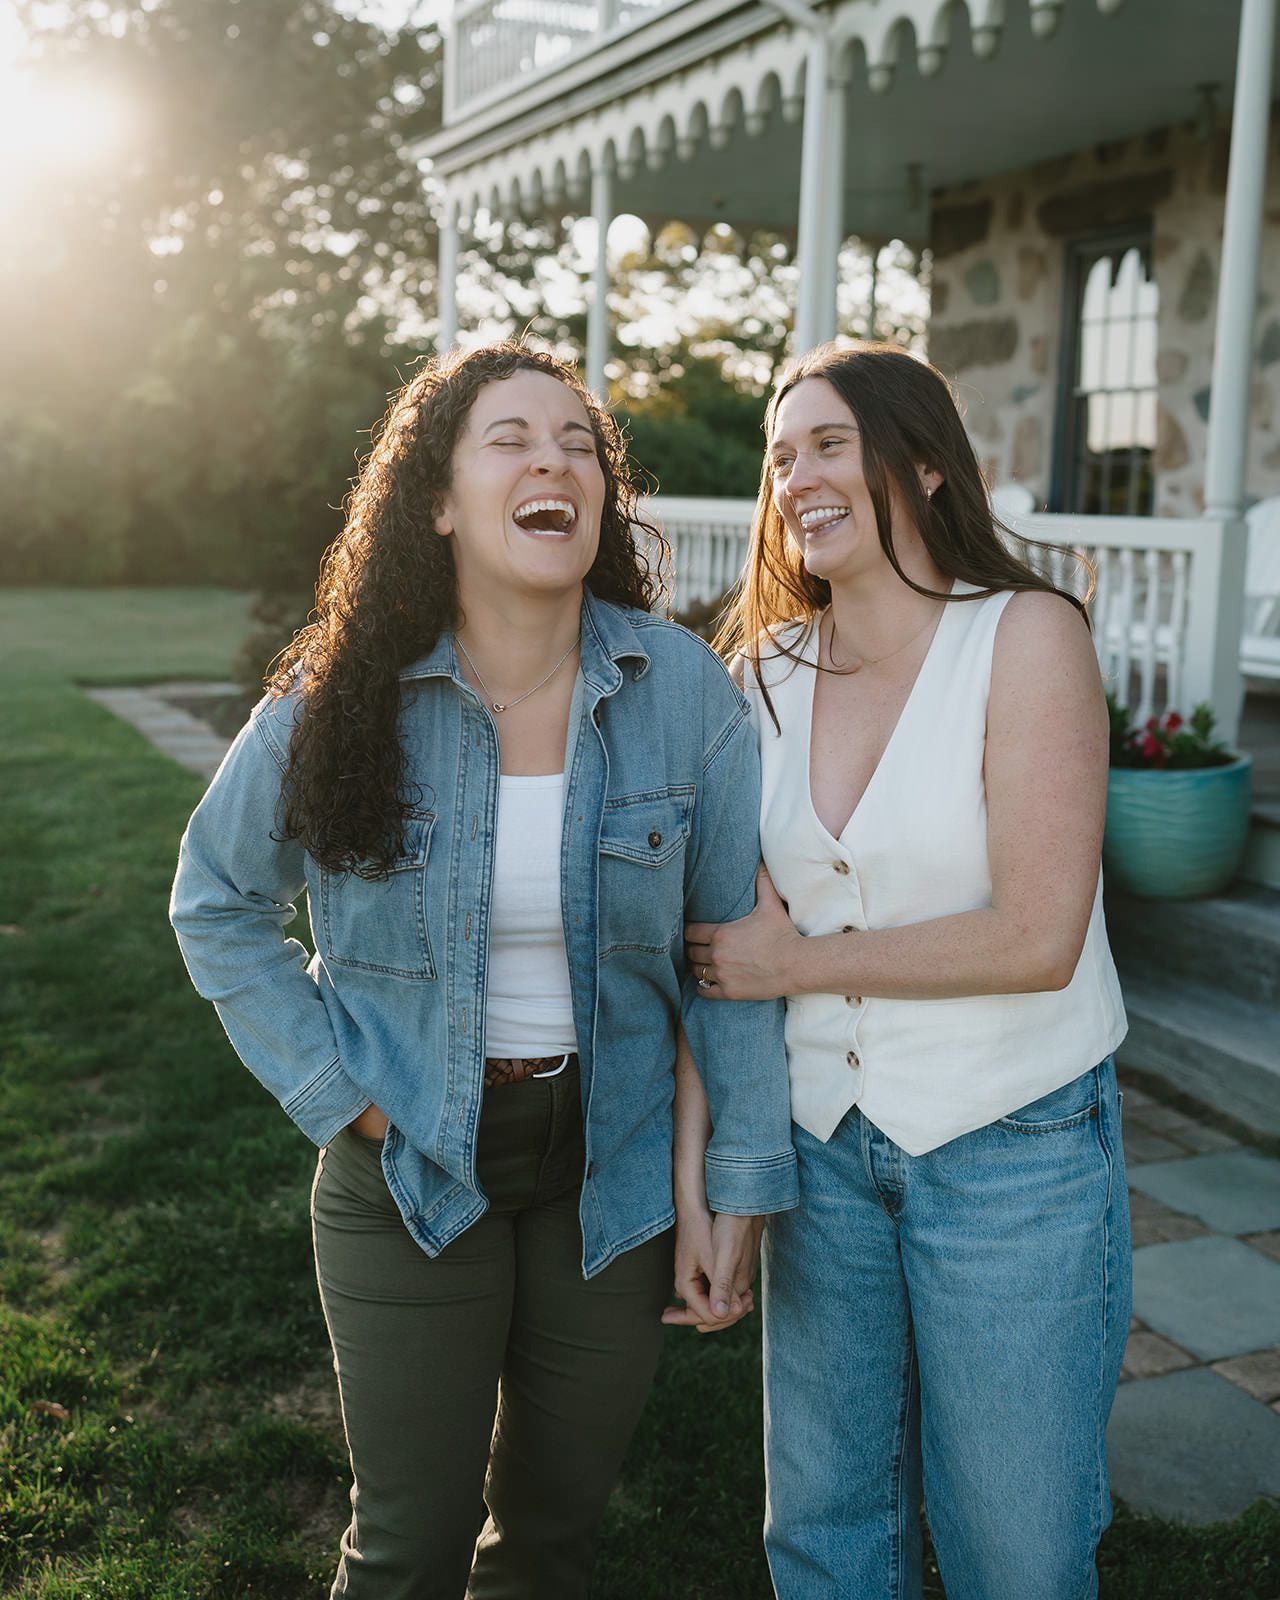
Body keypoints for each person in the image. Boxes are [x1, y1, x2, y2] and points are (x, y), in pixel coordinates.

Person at [170, 341, 797, 1600]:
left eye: (576, 442)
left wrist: (734, 1186)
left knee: (553, 1544)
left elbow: (728, 953)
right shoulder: (337, 693)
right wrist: (345, 1096)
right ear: (440, 501)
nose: (552, 459)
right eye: (508, 438)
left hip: (608, 1178)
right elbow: (215, 901)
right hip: (408, 1167)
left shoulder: (678, 689)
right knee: (405, 1546)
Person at [683, 341, 1130, 1600]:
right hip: (822, 1162)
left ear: (922, 462)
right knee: (826, 1538)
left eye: (828, 443)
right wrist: (722, 1177)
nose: (795, 477)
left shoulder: (1025, 637)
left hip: (1015, 1152)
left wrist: (799, 962)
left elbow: (1039, 936)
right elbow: (721, 965)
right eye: (780, 456)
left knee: (1014, 1552)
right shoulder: (754, 679)